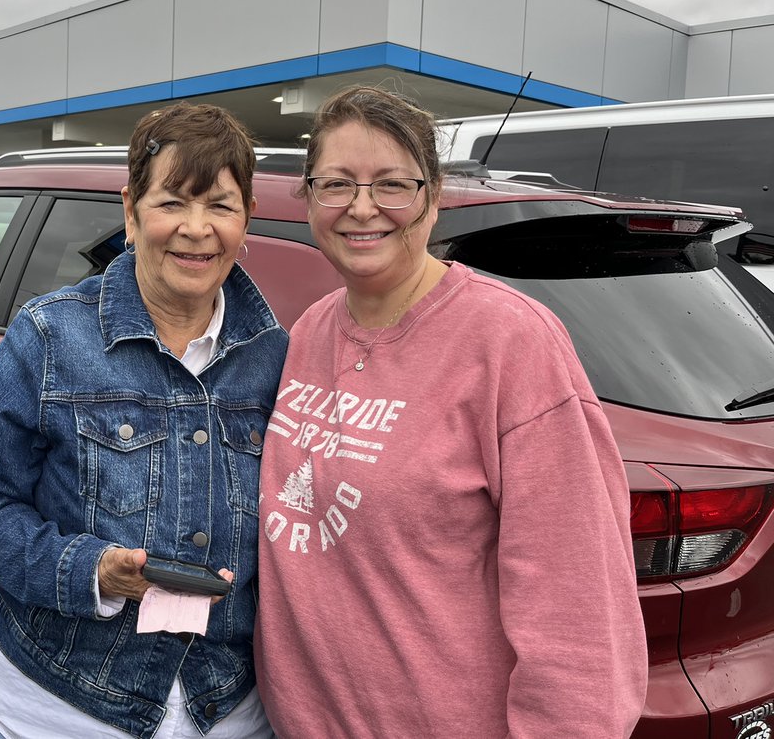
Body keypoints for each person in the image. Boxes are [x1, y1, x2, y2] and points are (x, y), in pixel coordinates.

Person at [254, 87, 648, 737]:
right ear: (310, 198)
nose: (361, 208)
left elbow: (581, 616)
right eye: (337, 184)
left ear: (433, 197)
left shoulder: (510, 343)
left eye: (392, 185)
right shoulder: (309, 332)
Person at [0, 102, 287, 739]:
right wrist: (91, 571)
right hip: (58, 708)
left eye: (220, 205)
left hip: (230, 711)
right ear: (131, 212)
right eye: (171, 203)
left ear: (247, 219)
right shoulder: (49, 338)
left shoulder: (277, 358)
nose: (196, 229)